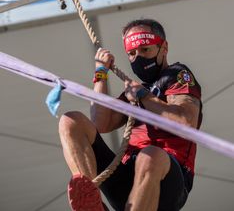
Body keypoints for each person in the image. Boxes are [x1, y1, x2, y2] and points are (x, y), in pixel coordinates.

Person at [59, 18, 202, 211]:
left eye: (145, 50)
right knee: (70, 121)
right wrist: (101, 73)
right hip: (127, 177)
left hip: (167, 180)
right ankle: (91, 200)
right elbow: (100, 123)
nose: (139, 58)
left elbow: (186, 122)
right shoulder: (136, 91)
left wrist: (144, 97)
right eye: (132, 54)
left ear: (164, 47)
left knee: (149, 155)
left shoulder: (176, 75)